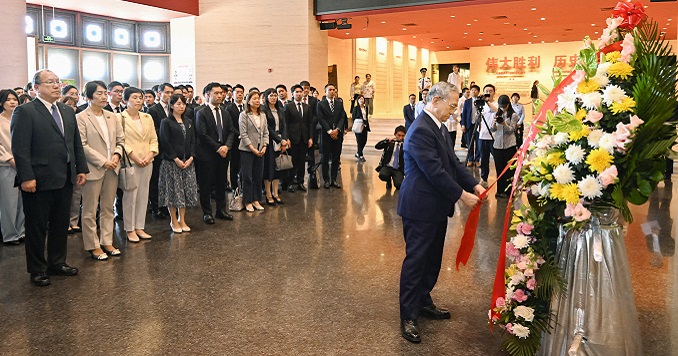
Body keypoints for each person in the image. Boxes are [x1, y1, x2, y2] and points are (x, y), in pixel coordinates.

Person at [397, 82, 484, 343]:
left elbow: (453, 164)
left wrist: (474, 183)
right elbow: (434, 172)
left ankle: (423, 300)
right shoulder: (420, 130)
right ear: (435, 100)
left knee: (432, 260)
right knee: (416, 261)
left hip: (436, 207)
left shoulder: (440, 128)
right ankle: (408, 316)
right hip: (420, 207)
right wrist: (462, 195)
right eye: (452, 106)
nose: (454, 112)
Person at [11, 69, 89, 286]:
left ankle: (57, 262)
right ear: (36, 88)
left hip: (64, 177)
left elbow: (75, 144)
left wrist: (80, 168)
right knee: (36, 227)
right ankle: (37, 269)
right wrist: (26, 176)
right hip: (38, 179)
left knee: (59, 223)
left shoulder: (66, 110)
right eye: (50, 82)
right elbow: (20, 147)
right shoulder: (25, 111)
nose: (56, 86)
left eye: (57, 82)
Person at [77, 81, 124, 260]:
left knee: (108, 207)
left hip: (113, 167)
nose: (104, 96)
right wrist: (103, 161)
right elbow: (82, 145)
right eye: (99, 93)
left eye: (105, 93)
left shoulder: (111, 116)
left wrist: (116, 156)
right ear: (89, 97)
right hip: (93, 169)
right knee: (89, 209)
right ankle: (93, 245)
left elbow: (120, 140)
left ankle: (107, 240)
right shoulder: (81, 117)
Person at [118, 87, 158, 242]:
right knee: (130, 196)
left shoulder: (147, 117)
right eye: (134, 97)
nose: (138, 101)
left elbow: (153, 139)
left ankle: (140, 227)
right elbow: (121, 141)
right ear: (126, 100)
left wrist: (149, 155)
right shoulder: (119, 118)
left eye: (140, 98)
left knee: (143, 195)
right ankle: (129, 229)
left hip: (147, 161)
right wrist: (135, 156)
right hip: (131, 162)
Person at [195, 82, 235, 224]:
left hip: (223, 154)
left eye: (221, 93)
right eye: (216, 93)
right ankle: (207, 212)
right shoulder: (201, 112)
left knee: (221, 183)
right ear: (207, 95)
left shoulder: (225, 112)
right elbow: (203, 134)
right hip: (208, 154)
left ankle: (221, 210)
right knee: (206, 185)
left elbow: (231, 131)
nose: (220, 95)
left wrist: (226, 146)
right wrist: (218, 148)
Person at [158, 94, 198, 233]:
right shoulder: (166, 121)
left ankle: (182, 219)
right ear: (172, 105)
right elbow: (165, 142)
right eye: (178, 103)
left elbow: (193, 140)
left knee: (185, 192)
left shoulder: (188, 121)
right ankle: (173, 220)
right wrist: (176, 159)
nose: (182, 106)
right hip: (172, 163)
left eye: (183, 104)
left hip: (188, 162)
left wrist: (192, 157)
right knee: (173, 192)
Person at [0, 89, 25, 245]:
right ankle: (10, 235)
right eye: (8, 99)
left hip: (23, 164)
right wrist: (9, 159)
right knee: (8, 202)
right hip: (6, 166)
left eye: (14, 99)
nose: (12, 102)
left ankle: (21, 232)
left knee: (23, 202)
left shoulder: (20, 118)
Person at [239, 91, 269, 212]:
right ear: (249, 101)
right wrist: (253, 149)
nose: (257, 101)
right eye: (254, 99)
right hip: (247, 150)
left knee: (258, 175)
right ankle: (248, 201)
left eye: (258, 99)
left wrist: (265, 146)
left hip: (261, 149)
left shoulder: (262, 115)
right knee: (247, 176)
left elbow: (266, 132)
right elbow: (243, 133)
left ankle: (256, 199)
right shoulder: (244, 115)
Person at [148, 82, 174, 219]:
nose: (170, 95)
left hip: (172, 149)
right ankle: (156, 206)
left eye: (172, 93)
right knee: (156, 179)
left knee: (167, 179)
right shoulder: (153, 110)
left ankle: (166, 205)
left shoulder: (174, 108)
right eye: (167, 92)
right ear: (159, 93)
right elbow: (153, 130)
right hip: (159, 148)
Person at [262, 88, 290, 205]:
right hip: (269, 141)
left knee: (278, 168)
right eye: (271, 95)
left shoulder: (280, 109)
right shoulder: (264, 111)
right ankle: (268, 195)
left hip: (280, 141)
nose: (273, 97)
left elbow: (284, 126)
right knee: (269, 168)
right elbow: (268, 128)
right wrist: (279, 140)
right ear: (266, 97)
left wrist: (284, 140)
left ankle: (276, 193)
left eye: (275, 95)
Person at [317, 83, 347, 189]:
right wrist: (330, 131)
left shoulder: (339, 103)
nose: (332, 91)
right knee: (325, 158)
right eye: (330, 90)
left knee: (336, 158)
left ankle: (334, 179)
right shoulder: (321, 104)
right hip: (326, 135)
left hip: (337, 135)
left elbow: (342, 117)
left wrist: (337, 130)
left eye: (334, 89)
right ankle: (326, 180)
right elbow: (321, 119)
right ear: (325, 92)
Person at [284, 84, 312, 193]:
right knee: (293, 161)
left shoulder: (307, 107)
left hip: (304, 138)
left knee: (301, 161)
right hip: (293, 138)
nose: (299, 93)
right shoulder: (288, 106)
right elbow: (285, 124)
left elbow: (310, 123)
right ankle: (290, 182)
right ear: (292, 94)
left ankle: (300, 182)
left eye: (301, 92)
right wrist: (287, 138)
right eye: (297, 92)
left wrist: (310, 137)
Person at [491, 95, 519, 198]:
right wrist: (494, 123)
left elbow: (512, 130)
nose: (502, 108)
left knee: (509, 170)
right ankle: (499, 191)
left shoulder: (514, 115)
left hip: (509, 145)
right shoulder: (496, 114)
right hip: (497, 145)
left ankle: (508, 192)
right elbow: (492, 130)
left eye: (504, 106)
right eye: (501, 106)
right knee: (499, 169)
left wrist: (503, 124)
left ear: (508, 104)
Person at [300, 81, 319, 189]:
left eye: (307, 88)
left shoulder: (314, 101)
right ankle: (300, 178)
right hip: (299, 132)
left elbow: (316, 115)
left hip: (311, 130)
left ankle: (312, 174)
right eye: (303, 88)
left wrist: (311, 122)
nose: (305, 90)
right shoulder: (294, 101)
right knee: (300, 155)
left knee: (311, 154)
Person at [226, 84, 246, 190]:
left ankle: (244, 185)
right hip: (235, 141)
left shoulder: (247, 107)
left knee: (244, 164)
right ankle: (234, 186)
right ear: (232, 94)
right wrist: (240, 135)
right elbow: (230, 126)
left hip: (247, 141)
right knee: (234, 164)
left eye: (241, 92)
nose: (239, 94)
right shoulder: (229, 108)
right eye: (237, 92)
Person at [478, 84, 498, 187]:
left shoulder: (496, 103)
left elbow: (497, 111)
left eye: (491, 91)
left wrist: (488, 102)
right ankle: (484, 179)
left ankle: (500, 179)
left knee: (497, 159)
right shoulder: (481, 105)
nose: (488, 93)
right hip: (482, 135)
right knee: (484, 159)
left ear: (494, 93)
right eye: (486, 91)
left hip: (494, 136)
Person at [375, 125, 406, 190]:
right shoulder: (390, 143)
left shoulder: (405, 145)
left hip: (398, 169)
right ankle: (388, 180)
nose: (400, 138)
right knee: (382, 175)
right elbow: (377, 146)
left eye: (403, 136)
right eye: (399, 135)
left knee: (399, 185)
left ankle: (395, 179)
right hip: (388, 166)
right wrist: (386, 140)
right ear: (395, 134)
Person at [461, 84, 482, 167]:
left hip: (478, 125)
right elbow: (464, 114)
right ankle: (470, 159)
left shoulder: (481, 101)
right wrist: (463, 124)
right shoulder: (467, 101)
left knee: (478, 143)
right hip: (469, 125)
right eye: (472, 90)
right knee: (470, 143)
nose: (474, 92)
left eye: (475, 90)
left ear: (478, 92)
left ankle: (477, 160)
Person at [352, 95, 370, 162]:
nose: (362, 100)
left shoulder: (366, 108)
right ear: (358, 100)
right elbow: (353, 117)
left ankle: (358, 153)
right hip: (358, 126)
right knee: (359, 141)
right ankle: (361, 154)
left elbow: (366, 116)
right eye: (360, 99)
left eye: (362, 99)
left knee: (364, 140)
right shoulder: (355, 108)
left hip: (365, 126)